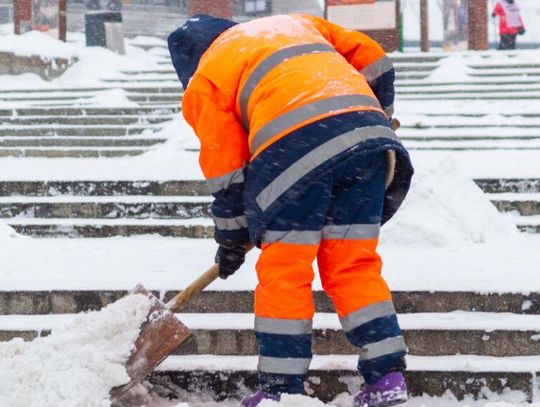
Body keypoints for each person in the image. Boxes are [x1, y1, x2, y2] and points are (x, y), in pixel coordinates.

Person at [168, 13, 414, 407]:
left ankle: (281, 391)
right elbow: (375, 59)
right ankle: (387, 377)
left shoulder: (205, 79)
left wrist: (231, 238)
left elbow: (226, 172)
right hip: (368, 143)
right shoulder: (296, 23)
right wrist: (377, 111)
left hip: (292, 152)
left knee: (286, 272)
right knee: (354, 266)